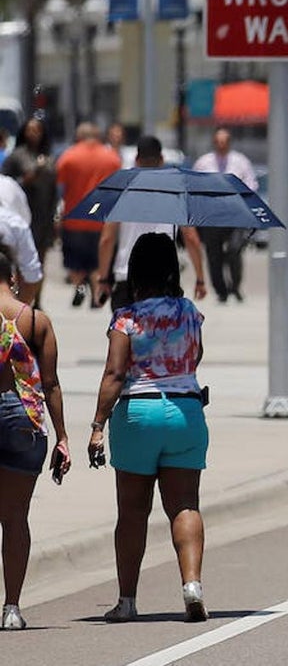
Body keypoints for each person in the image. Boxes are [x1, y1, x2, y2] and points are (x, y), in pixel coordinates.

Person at [87, 233, 210, 624]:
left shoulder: (127, 316)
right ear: (173, 270)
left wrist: (97, 426)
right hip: (186, 412)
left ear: (136, 272)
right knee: (185, 504)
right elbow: (196, 356)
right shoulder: (190, 311)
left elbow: (115, 373)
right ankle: (191, 585)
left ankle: (127, 600)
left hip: (139, 413)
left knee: (133, 511)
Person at [0, 246, 68, 630]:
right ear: (13, 279)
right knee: (14, 517)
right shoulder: (34, 320)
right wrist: (62, 437)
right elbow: (52, 383)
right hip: (21, 417)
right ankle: (11, 608)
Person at [95, 136, 208, 310]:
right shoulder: (174, 192)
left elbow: (107, 239)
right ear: (162, 159)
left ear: (136, 160)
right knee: (162, 336)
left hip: (127, 278)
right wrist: (200, 279)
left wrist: (103, 278)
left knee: (124, 334)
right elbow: (191, 237)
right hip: (165, 279)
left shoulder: (123, 190)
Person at [55, 122, 121, 308]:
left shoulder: (68, 157)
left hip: (74, 218)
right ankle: (95, 294)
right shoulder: (112, 158)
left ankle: (79, 286)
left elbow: (60, 187)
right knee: (96, 261)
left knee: (75, 261)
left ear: (78, 137)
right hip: (102, 218)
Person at [192, 128, 258, 303]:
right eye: (218, 141)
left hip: (236, 214)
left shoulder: (240, 161)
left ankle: (235, 285)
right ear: (214, 143)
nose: (221, 145)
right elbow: (194, 185)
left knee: (235, 250)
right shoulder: (204, 162)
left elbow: (251, 184)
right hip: (212, 216)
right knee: (214, 255)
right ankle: (221, 290)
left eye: (225, 141)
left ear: (229, 143)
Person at [3, 118, 56, 275]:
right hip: (22, 215)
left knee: (40, 260)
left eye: (37, 130)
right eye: (30, 130)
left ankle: (37, 298)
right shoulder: (16, 156)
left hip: (44, 215)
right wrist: (30, 176)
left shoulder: (48, 157)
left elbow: (53, 188)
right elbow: (6, 183)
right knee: (21, 259)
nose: (33, 134)